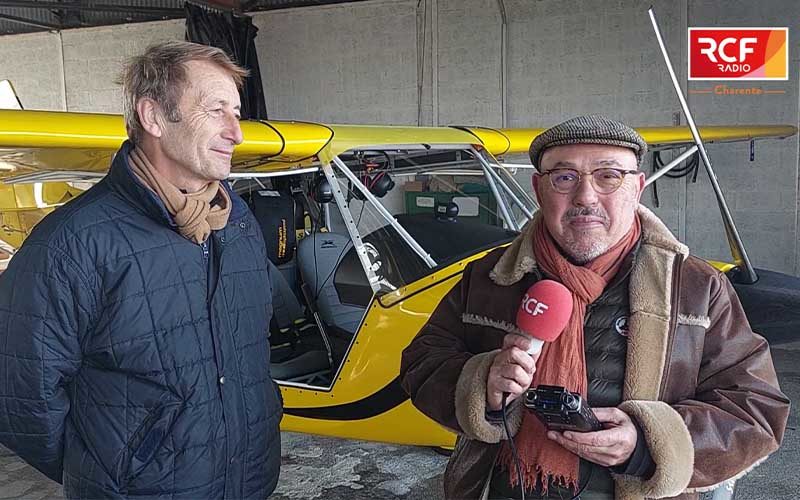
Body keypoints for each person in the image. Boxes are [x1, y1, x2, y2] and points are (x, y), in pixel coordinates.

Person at [400, 114, 789, 500]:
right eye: (564, 177)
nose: (585, 197)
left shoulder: (697, 288)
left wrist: (646, 444)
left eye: (608, 176)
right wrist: (482, 383)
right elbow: (422, 362)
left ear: (637, 187)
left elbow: (756, 411)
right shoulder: (489, 277)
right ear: (539, 188)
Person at [0, 41, 282, 499]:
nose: (237, 132)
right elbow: (20, 396)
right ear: (153, 117)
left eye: (237, 111)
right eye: (216, 110)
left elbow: (250, 350)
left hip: (247, 482)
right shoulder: (73, 243)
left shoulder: (238, 222)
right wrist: (115, 467)